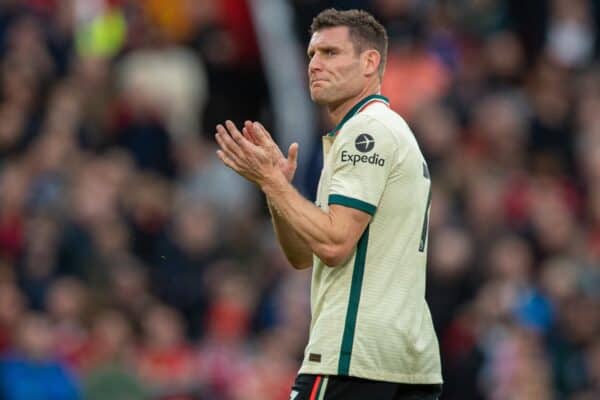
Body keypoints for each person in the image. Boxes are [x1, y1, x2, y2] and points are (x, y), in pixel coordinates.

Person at [215, 8, 442, 400]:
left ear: (370, 62)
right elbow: (303, 255)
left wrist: (268, 179)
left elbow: (335, 245)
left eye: (331, 53)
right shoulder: (380, 131)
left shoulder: (365, 131)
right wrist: (278, 189)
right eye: (312, 55)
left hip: (354, 356)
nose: (315, 65)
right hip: (405, 363)